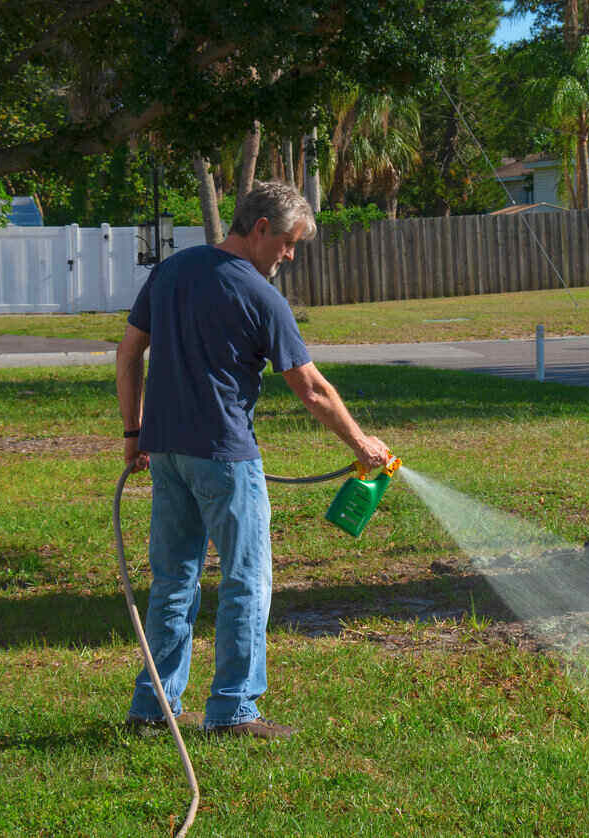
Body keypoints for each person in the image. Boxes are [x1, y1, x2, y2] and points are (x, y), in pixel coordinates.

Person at [115, 180, 389, 739]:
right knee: (245, 581)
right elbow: (310, 389)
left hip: (165, 452)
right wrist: (364, 446)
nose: (289, 256)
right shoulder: (261, 296)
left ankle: (153, 710)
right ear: (260, 229)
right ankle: (234, 710)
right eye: (288, 243)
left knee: (173, 580)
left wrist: (133, 432)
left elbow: (128, 353)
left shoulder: (170, 271)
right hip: (224, 458)